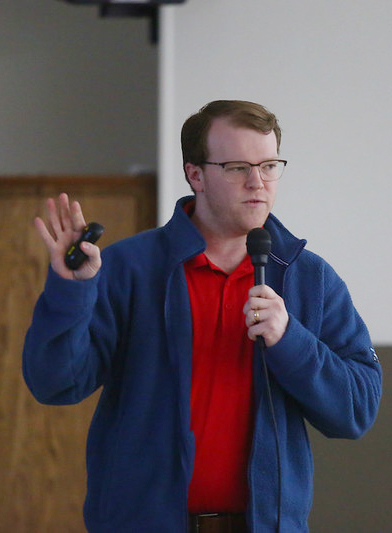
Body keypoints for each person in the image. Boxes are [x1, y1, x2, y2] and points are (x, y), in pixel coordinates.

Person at [23, 100, 382, 533]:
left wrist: (290, 338)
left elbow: (357, 411)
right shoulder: (129, 268)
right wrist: (71, 290)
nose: (258, 182)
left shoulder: (309, 278)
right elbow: (55, 384)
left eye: (269, 165)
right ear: (196, 174)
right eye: (236, 167)